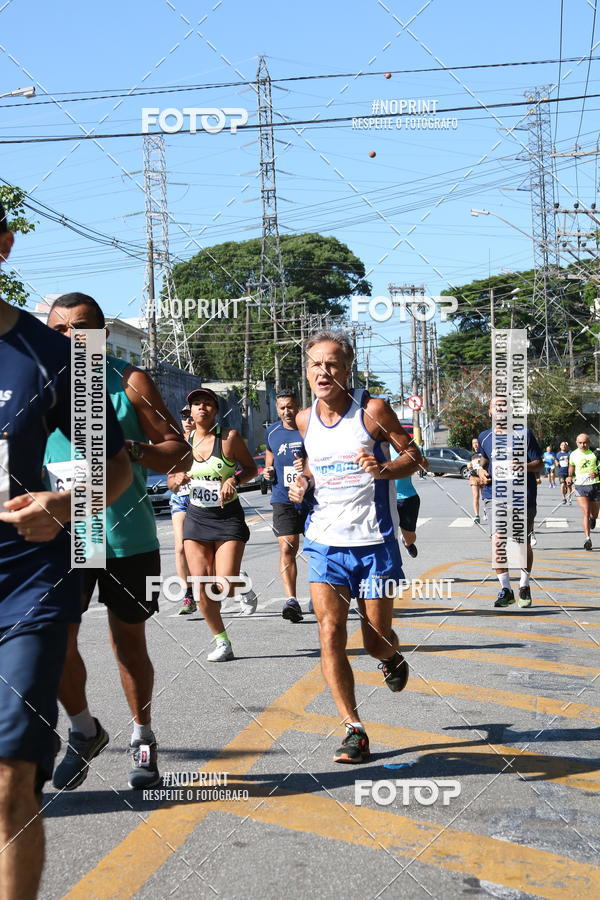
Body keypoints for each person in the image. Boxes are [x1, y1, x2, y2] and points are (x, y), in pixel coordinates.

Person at [0, 203, 132, 900]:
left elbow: (115, 468)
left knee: (10, 778)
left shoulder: (54, 357)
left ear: (4, 245)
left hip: (25, 585)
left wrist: (67, 505)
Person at [45, 293, 192, 792]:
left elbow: (179, 454)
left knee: (128, 642)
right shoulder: (37, 384)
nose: (72, 337)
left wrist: (127, 447)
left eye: (82, 328)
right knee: (54, 640)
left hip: (128, 538)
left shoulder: (129, 382)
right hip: (67, 535)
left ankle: (143, 736)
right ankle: (84, 729)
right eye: (60, 329)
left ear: (103, 335)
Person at [289, 330, 423, 764]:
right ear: (307, 371)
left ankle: (391, 656)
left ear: (348, 369)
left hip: (374, 542)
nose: (322, 371)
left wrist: (383, 469)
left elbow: (415, 457)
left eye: (332, 364)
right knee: (329, 632)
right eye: (315, 364)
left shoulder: (372, 411)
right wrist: (303, 481)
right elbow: (313, 464)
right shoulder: (304, 420)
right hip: (324, 542)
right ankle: (353, 729)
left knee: (375, 641)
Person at [183, 388, 257, 661]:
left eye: (207, 404)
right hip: (197, 518)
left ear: (215, 410)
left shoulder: (229, 438)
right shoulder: (183, 442)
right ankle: (222, 642)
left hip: (227, 518)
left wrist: (233, 480)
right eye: (197, 404)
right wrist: (176, 479)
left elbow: (251, 469)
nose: (202, 408)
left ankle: (240, 582)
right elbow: (171, 476)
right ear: (190, 411)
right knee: (202, 586)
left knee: (225, 585)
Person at [478, 400, 543, 608]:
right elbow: (483, 459)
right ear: (490, 412)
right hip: (494, 495)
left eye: (504, 406)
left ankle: (524, 585)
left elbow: (539, 463)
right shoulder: (484, 437)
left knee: (520, 543)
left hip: (522, 496)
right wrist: (480, 470)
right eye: (496, 406)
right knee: (497, 540)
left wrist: (523, 466)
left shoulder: (524, 434)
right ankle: (506, 589)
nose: (500, 409)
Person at [263, 390, 311, 623]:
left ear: (298, 406)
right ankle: (291, 600)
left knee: (318, 548)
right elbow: (269, 453)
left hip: (312, 498)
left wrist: (307, 463)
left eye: (290, 406)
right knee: (287, 547)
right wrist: (268, 470)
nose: (286, 412)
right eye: (282, 408)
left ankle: (320, 593)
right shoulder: (272, 431)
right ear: (277, 409)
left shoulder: (309, 428)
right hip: (283, 497)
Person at [167, 406, 196, 614]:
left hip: (202, 499)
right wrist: (176, 480)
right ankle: (189, 595)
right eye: (184, 416)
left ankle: (236, 579)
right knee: (180, 548)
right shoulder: (176, 444)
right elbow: (170, 482)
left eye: (190, 416)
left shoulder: (208, 440)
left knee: (206, 550)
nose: (187, 420)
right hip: (180, 499)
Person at [567, 434, 600, 551]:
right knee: (586, 512)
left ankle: (593, 518)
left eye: (585, 442)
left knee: (594, 514)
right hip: (580, 486)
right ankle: (587, 539)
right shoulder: (573, 454)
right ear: (576, 443)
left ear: (589, 442)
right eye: (580, 443)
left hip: (595, 485)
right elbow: (571, 466)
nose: (583, 445)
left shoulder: (595, 453)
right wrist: (569, 477)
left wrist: (597, 473)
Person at [467, 437, 484, 524]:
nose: (475, 445)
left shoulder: (483, 453)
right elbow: (468, 465)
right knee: (476, 496)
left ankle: (486, 511)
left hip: (483, 476)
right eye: (473, 443)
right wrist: (469, 465)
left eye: (476, 442)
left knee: (485, 497)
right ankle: (477, 516)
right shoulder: (471, 455)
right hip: (474, 477)